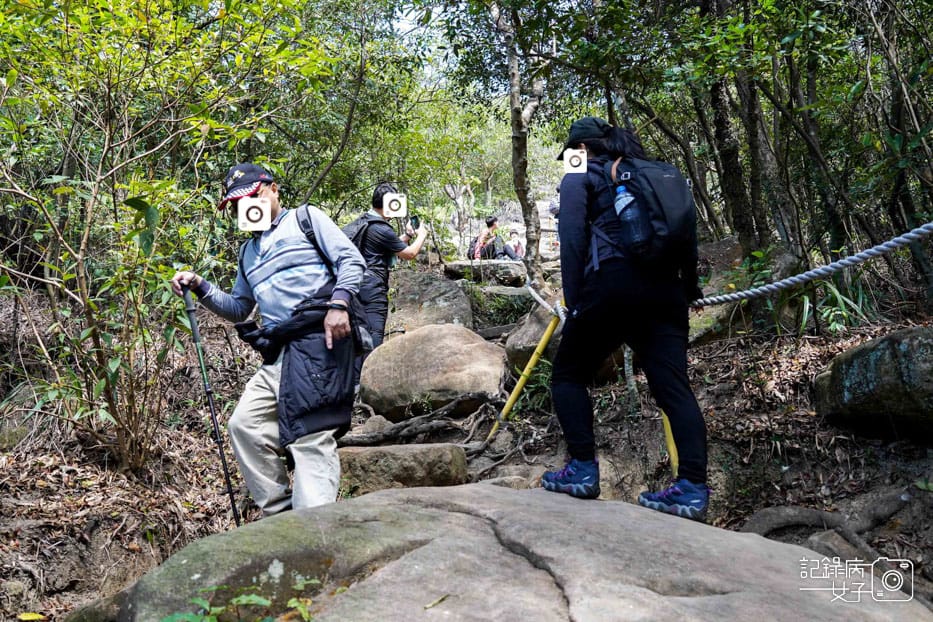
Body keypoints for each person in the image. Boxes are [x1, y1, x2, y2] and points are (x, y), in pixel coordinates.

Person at [170, 163, 366, 517]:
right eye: (235, 205)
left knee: (311, 435)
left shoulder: (306, 219)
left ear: (273, 189)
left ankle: (314, 528)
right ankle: (280, 519)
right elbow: (239, 308)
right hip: (279, 354)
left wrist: (339, 304)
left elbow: (351, 260)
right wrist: (200, 286)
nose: (244, 208)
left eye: (251, 197)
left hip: (320, 343)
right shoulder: (248, 251)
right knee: (245, 426)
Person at [541, 117, 709, 521]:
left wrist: (575, 302)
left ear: (582, 150)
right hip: (667, 291)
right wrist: (690, 288)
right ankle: (692, 489)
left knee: (568, 374)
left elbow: (572, 239)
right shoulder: (653, 172)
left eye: (571, 153)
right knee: (674, 388)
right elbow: (685, 232)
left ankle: (582, 468)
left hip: (613, 285)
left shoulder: (580, 174)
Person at [346, 182, 428, 350]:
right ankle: (369, 366)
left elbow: (388, 245)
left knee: (358, 336)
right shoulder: (382, 228)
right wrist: (422, 235)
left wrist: (407, 235)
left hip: (355, 286)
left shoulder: (364, 221)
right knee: (373, 338)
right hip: (373, 290)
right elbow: (410, 254)